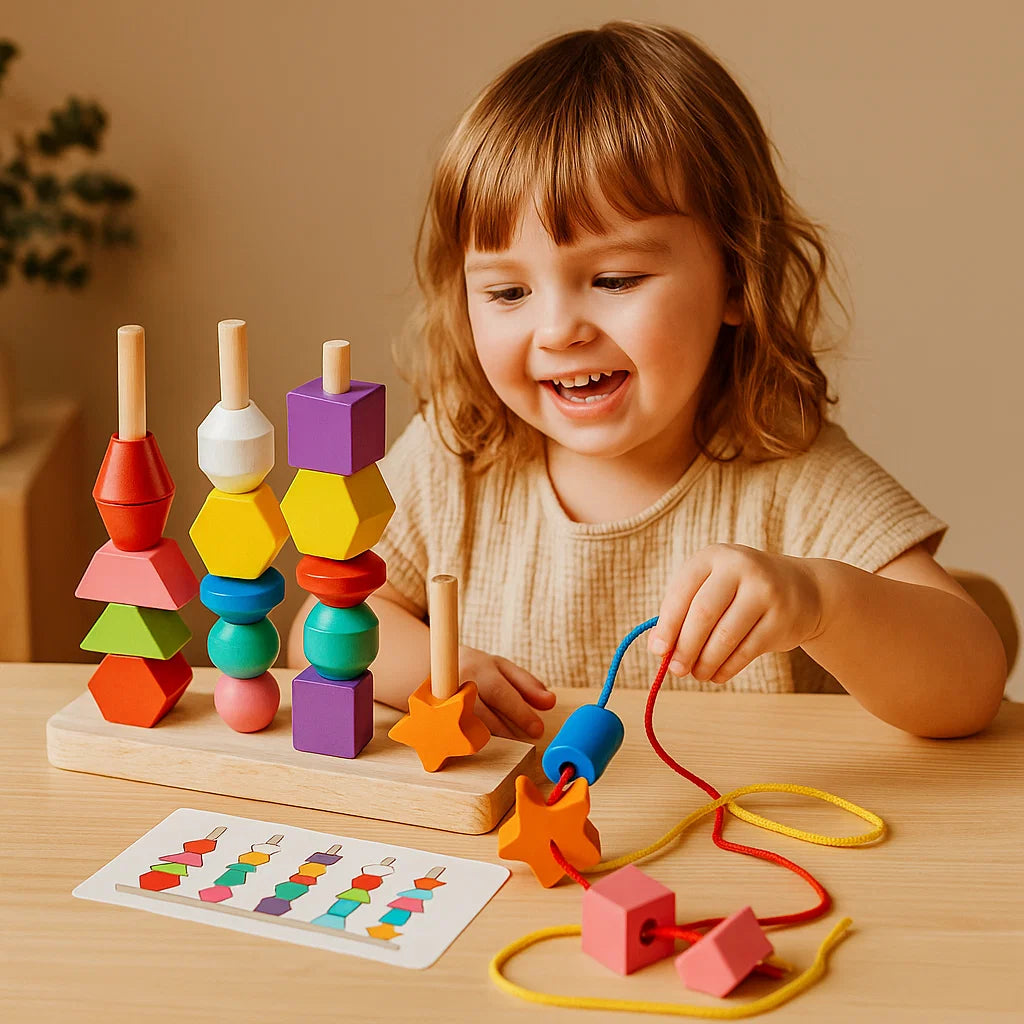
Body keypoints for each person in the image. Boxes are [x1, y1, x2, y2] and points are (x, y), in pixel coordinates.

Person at [288, 21, 1006, 741]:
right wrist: (443, 670)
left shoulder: (794, 478)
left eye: (615, 278)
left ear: (736, 276)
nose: (558, 330)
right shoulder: (457, 456)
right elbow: (322, 627)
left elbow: (971, 685)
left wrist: (823, 600)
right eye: (508, 294)